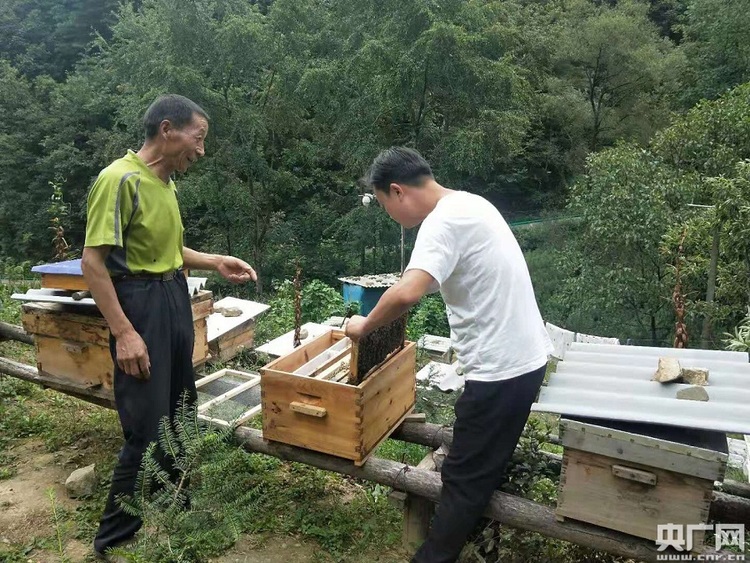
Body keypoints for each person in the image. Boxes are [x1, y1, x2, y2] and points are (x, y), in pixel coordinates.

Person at [345, 147, 552, 563]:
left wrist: (363, 326)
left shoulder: (442, 222)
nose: (391, 216)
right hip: (523, 360)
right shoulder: (471, 203)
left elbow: (409, 291)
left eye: (386, 206)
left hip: (501, 372)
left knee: (463, 481)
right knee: (479, 466)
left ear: (398, 191)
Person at [81, 94, 256, 559]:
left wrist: (216, 261)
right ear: (167, 130)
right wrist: (124, 332)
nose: (200, 151)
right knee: (147, 421)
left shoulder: (165, 184)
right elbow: (93, 263)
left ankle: (170, 504)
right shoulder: (118, 180)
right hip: (138, 305)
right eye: (197, 139)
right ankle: (114, 539)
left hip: (174, 295)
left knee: (181, 409)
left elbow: (174, 252)